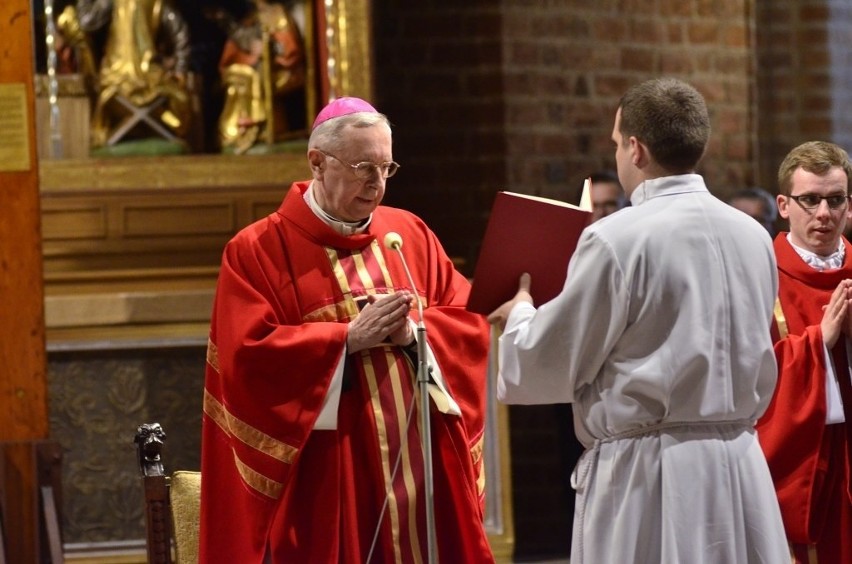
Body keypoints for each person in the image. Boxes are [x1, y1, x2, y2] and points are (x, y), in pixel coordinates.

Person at [488, 77, 788, 563]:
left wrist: (521, 311)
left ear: (636, 148)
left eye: (615, 145)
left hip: (651, 476)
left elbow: (551, 359)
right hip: (738, 465)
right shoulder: (752, 235)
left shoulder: (616, 238)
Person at [199, 96, 494, 563]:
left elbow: (467, 323)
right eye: (363, 168)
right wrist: (346, 339)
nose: (377, 184)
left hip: (420, 461)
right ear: (317, 162)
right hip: (329, 473)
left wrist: (413, 333)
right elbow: (247, 358)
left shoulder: (410, 233)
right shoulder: (257, 250)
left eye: (386, 168)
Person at [755, 140, 852, 563]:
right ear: (783, 204)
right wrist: (819, 341)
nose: (824, 214)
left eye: (835, 200)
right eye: (810, 200)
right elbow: (747, 373)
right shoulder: (759, 274)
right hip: (800, 463)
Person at [75, 0, 191, 147]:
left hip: (119, 80)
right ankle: (167, 127)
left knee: (174, 101)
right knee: (178, 100)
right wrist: (180, 69)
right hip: (145, 81)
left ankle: (163, 127)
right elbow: (180, 32)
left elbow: (87, 21)